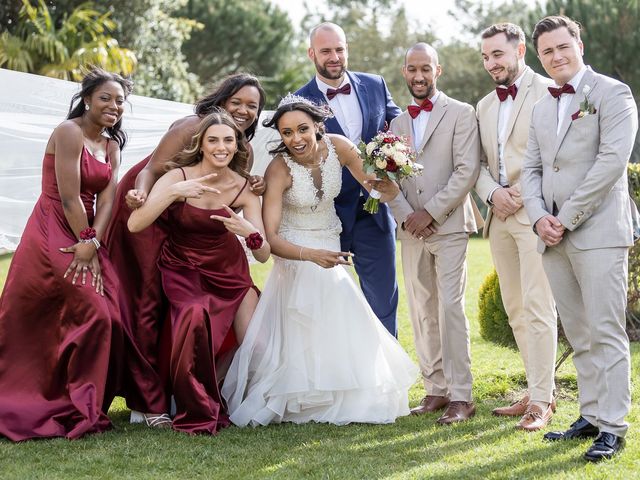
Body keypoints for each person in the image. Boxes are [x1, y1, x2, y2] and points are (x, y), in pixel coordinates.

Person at [221, 96, 418, 426]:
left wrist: (389, 176)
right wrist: (311, 256)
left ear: (317, 126)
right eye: (286, 133)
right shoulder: (279, 170)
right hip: (295, 251)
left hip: (330, 241)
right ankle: (300, 397)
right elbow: (270, 238)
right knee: (316, 306)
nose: (295, 139)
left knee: (340, 316)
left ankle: (343, 393)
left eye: (302, 129)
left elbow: (377, 190)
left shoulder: (339, 147)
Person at [103, 74, 266, 426]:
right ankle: (147, 400)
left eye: (252, 106)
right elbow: (150, 170)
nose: (243, 110)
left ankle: (197, 389)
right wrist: (147, 197)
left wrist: (252, 203)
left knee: (198, 312)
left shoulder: (243, 151)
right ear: (221, 99)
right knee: (146, 301)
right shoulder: (190, 127)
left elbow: (230, 201)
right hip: (148, 200)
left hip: (198, 230)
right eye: (236, 101)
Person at [522, 15, 637, 461]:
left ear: (579, 45)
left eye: (562, 47)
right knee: (578, 331)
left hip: (599, 232)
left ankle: (613, 426)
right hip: (550, 235)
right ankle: (589, 414)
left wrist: (564, 217)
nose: (556, 56)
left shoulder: (612, 93)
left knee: (607, 331)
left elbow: (611, 162)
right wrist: (537, 218)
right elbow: (531, 169)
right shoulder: (541, 107)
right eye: (547, 51)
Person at [0, 68, 131, 441]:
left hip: (87, 234)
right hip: (52, 229)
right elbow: (70, 196)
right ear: (87, 99)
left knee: (109, 313)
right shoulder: (68, 132)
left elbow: (108, 199)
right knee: (92, 309)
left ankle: (80, 400)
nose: (114, 106)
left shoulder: (111, 145)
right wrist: (85, 240)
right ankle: (47, 398)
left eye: (120, 101)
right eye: (106, 97)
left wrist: (95, 243)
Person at [387, 43, 481, 425]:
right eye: (412, 69)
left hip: (449, 226)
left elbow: (466, 170)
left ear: (437, 71)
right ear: (404, 71)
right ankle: (436, 389)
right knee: (421, 308)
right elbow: (387, 179)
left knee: (450, 308)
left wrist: (430, 213)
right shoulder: (395, 125)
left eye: (425, 69)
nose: (419, 76)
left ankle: (462, 395)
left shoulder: (461, 113)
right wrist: (409, 216)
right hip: (411, 230)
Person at [474, 23, 558, 431]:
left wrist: (520, 194)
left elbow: (556, 157)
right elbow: (477, 166)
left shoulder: (549, 91)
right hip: (500, 217)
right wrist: (493, 194)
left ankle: (542, 401)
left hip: (536, 214)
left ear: (520, 50)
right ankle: (537, 388)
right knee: (516, 308)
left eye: (498, 55)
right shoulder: (484, 106)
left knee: (539, 306)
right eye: (486, 57)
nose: (492, 64)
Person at [295, 22, 401, 336]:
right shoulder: (298, 100)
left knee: (384, 301)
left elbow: (400, 127)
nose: (334, 56)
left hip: (374, 212)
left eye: (339, 49)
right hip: (325, 216)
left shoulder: (375, 84)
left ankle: (386, 382)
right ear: (311, 53)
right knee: (327, 304)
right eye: (326, 50)